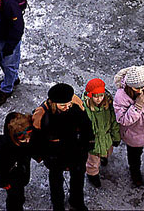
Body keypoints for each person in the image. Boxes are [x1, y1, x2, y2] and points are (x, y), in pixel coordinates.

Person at [31, 83, 94, 211]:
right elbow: (36, 139)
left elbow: (86, 125)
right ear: (54, 103)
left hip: (76, 150)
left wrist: (87, 145)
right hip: (55, 154)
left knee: (78, 178)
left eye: (69, 104)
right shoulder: (41, 114)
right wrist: (43, 156)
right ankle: (57, 204)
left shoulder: (75, 102)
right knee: (56, 180)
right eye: (63, 105)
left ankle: (77, 201)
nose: (67, 107)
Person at [81, 78, 121, 188]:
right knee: (92, 163)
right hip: (93, 141)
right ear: (90, 96)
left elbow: (114, 123)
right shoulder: (84, 108)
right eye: (95, 96)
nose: (98, 99)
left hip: (107, 138)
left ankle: (104, 158)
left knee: (107, 151)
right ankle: (92, 175)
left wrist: (116, 137)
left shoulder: (109, 106)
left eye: (101, 95)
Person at [0, 112, 35, 211]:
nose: (27, 139)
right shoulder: (4, 149)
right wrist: (2, 182)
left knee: (19, 193)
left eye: (29, 133)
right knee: (14, 199)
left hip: (22, 171)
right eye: (22, 138)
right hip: (11, 178)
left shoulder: (24, 141)